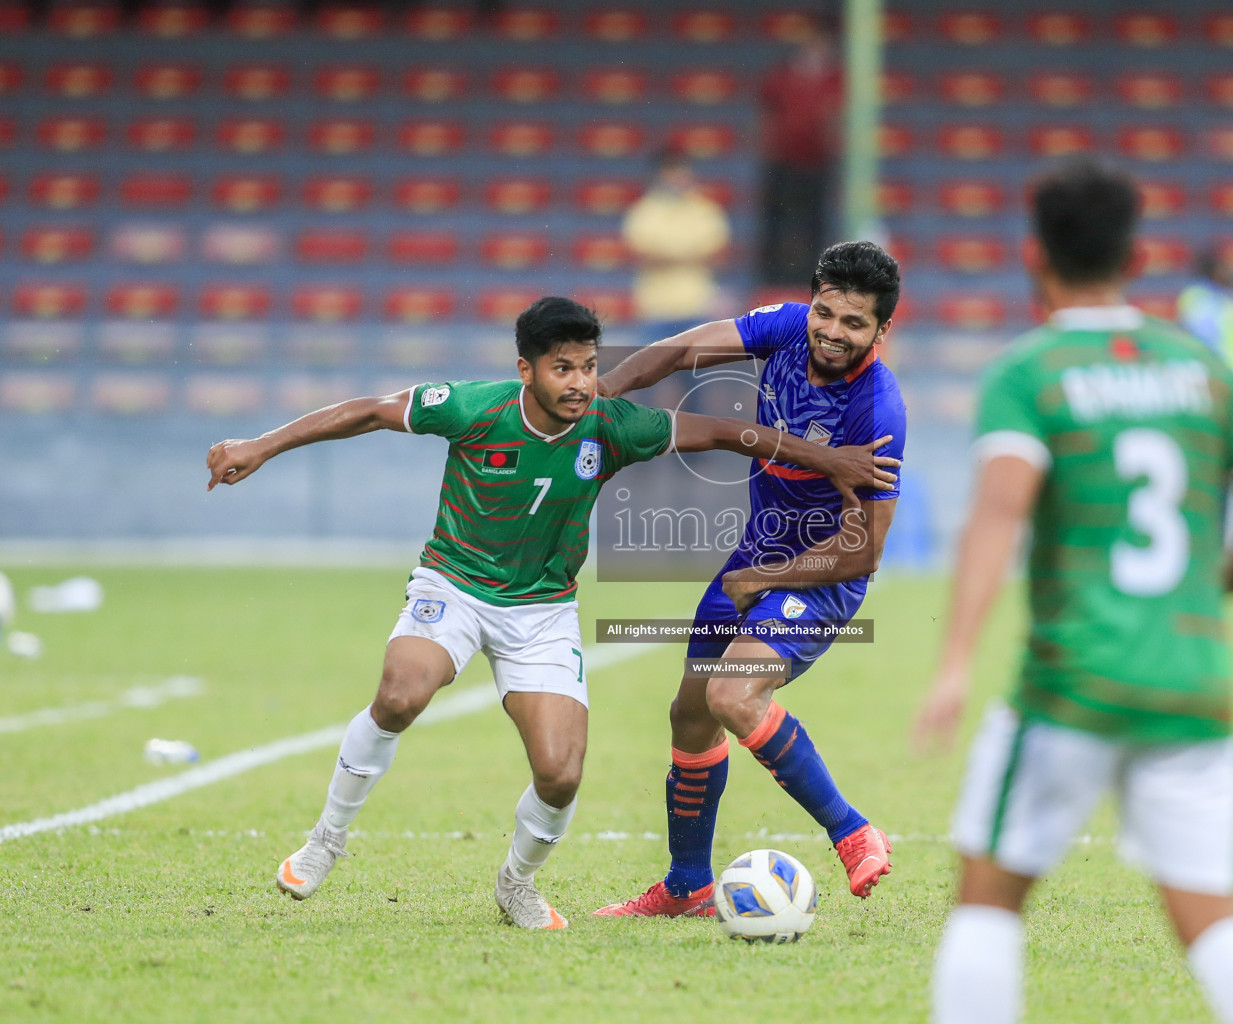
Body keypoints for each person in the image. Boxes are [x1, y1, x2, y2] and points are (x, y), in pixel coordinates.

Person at [204, 296, 898, 930]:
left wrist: (826, 459)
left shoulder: (613, 425)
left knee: (561, 773)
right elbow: (369, 409)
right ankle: (326, 841)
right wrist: (259, 446)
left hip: (541, 611)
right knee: (400, 693)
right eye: (562, 367)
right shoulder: (472, 407)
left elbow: (723, 432)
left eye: (590, 367)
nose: (578, 383)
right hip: (453, 585)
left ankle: (517, 883)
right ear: (526, 370)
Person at [913, 159, 1233, 1023]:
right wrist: (1204, 594)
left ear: (1033, 259)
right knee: (1210, 918)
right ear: (1137, 257)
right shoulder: (1198, 367)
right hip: (1190, 680)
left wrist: (951, 663)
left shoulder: (1031, 371)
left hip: (1072, 683)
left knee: (987, 900)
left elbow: (998, 515)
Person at [592, 240, 906, 917]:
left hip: (822, 571)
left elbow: (867, 551)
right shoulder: (784, 328)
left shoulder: (877, 411)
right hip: (756, 556)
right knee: (690, 714)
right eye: (824, 313)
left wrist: (771, 576)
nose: (830, 332)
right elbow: (679, 350)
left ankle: (852, 832)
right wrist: (601, 393)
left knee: (733, 697)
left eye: (854, 324)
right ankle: (686, 887)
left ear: (882, 330)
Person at [756, 19, 843, 286]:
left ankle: (815, 278)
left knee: (815, 223)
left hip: (818, 161)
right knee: (776, 220)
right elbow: (765, 111)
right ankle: (772, 279)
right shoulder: (782, 75)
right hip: (782, 160)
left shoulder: (835, 77)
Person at [622, 146, 730, 339]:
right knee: (655, 368)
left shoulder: (705, 210)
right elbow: (641, 258)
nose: (677, 179)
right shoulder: (643, 211)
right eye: (671, 173)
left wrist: (665, 255)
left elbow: (718, 258)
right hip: (655, 309)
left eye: (681, 172)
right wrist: (692, 255)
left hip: (697, 307)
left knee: (698, 369)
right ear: (659, 176)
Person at [1177, 247, 1233, 404]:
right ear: (1215, 272)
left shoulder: (1216, 299)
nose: (1231, 272)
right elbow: (1205, 344)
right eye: (1225, 268)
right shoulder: (1205, 301)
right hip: (1225, 384)